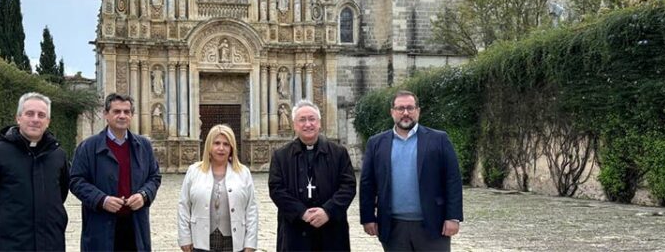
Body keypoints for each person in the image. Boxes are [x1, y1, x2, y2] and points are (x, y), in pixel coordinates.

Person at [359, 90, 463, 251]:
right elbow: (367, 183)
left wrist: (453, 217)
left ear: (418, 111)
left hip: (433, 224)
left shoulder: (439, 139)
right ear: (392, 112)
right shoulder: (376, 143)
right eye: (400, 108)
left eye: (410, 108)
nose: (405, 113)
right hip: (393, 227)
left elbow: (453, 179)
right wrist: (367, 218)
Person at [0, 92, 70, 252]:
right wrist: (2, 222)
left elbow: (61, 193)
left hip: (51, 242)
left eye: (41, 115)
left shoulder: (58, 155)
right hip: (13, 243)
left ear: (48, 122)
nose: (35, 119)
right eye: (29, 113)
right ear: (18, 118)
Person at [70, 93, 162, 251]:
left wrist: (144, 195)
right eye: (117, 111)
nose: (122, 116)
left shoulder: (143, 146)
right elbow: (76, 181)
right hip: (101, 225)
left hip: (135, 226)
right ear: (106, 114)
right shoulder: (88, 147)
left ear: (132, 115)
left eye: (127, 112)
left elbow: (154, 176)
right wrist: (102, 200)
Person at [268, 100, 356, 251]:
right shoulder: (281, 156)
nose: (308, 124)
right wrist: (301, 212)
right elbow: (276, 189)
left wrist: (328, 211)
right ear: (294, 125)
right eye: (302, 120)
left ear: (319, 123)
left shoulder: (339, 153)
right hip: (294, 232)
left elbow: (348, 186)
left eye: (312, 119)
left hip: (331, 231)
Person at [178, 124, 258, 252]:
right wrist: (184, 237)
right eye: (216, 143)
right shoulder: (194, 171)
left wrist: (250, 243)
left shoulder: (243, 173)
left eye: (226, 144)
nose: (221, 148)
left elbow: (251, 210)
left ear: (232, 148)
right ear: (209, 146)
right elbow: (184, 206)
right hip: (201, 241)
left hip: (233, 241)